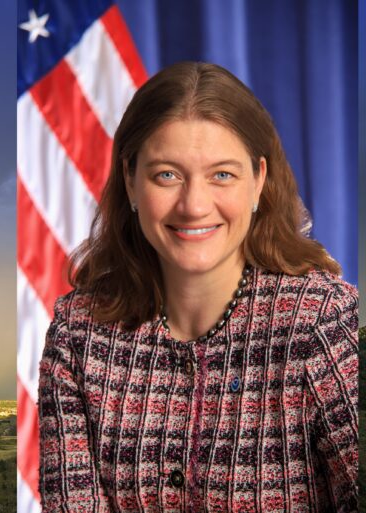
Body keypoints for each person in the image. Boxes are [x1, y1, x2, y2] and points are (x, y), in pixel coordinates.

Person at [38, 62, 358, 513]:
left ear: (258, 181)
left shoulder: (324, 320)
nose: (194, 205)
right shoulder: (78, 334)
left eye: (222, 175)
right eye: (166, 174)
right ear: (130, 179)